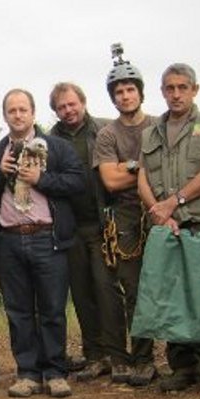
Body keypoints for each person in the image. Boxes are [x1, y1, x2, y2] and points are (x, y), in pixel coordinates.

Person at [135, 63, 200, 398]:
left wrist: (173, 203)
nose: (176, 94)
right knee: (171, 294)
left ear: (194, 89)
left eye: (182, 87)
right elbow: (142, 180)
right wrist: (160, 212)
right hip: (166, 224)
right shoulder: (150, 132)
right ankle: (183, 367)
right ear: (162, 91)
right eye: (169, 88)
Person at [0, 89, 84, 398]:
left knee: (52, 308)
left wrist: (42, 179)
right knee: (18, 310)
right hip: (10, 239)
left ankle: (55, 372)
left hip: (47, 237)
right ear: (5, 116)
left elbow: (77, 183)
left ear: (34, 113)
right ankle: (27, 373)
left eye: (23, 109)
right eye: (12, 110)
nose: (18, 115)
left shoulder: (56, 147)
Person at [48, 83, 122, 382]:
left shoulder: (105, 130)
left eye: (71, 104)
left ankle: (117, 354)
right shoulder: (49, 139)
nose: (68, 111)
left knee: (107, 289)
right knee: (81, 293)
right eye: (62, 107)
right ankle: (94, 355)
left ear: (83, 102)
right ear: (55, 111)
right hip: (69, 226)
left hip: (103, 222)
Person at [94, 47, 157, 386]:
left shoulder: (160, 126)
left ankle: (189, 357)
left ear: (140, 92)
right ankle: (142, 358)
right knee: (134, 288)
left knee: (170, 283)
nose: (125, 95)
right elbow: (110, 180)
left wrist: (129, 167)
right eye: (119, 91)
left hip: (161, 210)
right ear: (113, 97)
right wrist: (146, 168)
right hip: (126, 218)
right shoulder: (108, 134)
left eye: (130, 89)